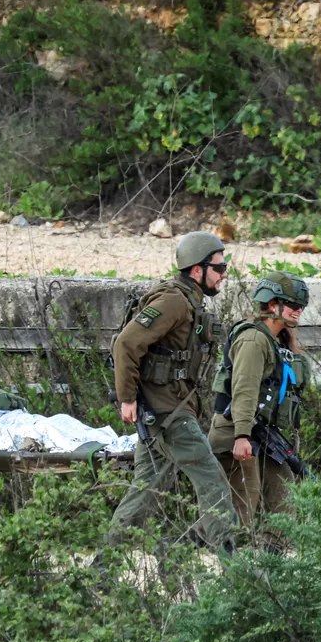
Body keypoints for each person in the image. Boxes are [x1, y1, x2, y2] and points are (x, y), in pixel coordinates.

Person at [104, 231, 240, 556]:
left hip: (169, 414)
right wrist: (127, 399)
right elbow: (126, 343)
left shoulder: (189, 301)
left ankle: (100, 577)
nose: (224, 274)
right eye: (219, 268)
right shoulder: (174, 300)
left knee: (142, 498)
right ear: (197, 270)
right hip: (168, 417)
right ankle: (238, 575)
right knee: (213, 484)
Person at [208, 271, 312, 548]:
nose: (298, 311)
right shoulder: (254, 340)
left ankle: (270, 574)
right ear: (271, 304)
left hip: (263, 434)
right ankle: (201, 558)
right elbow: (244, 389)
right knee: (242, 508)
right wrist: (242, 436)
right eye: (292, 304)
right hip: (238, 432)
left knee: (284, 501)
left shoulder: (277, 342)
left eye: (301, 306)